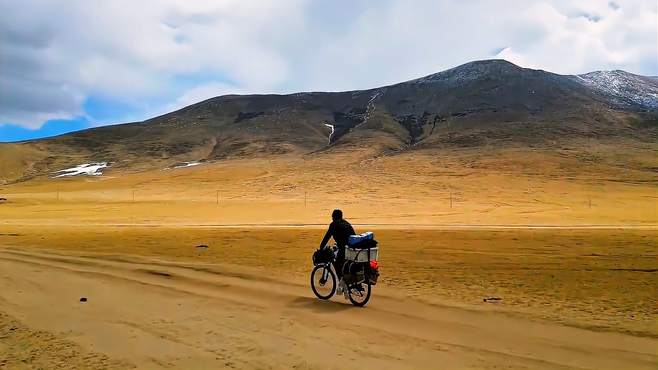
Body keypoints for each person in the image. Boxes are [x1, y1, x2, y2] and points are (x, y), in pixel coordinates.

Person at [319, 209, 355, 294]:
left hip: (345, 248)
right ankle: (345, 285)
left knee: (338, 264)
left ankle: (342, 285)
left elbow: (327, 237)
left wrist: (321, 247)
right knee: (344, 264)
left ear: (334, 217)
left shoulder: (334, 224)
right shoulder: (346, 223)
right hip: (353, 248)